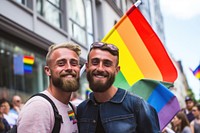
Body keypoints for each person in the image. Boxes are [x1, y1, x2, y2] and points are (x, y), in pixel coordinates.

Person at [77, 42, 160, 133]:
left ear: (117, 71)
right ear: (87, 67)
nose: (100, 68)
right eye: (95, 62)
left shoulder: (138, 106)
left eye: (107, 64)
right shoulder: (81, 110)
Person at [17, 42, 81, 133]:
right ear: (48, 71)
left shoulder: (71, 108)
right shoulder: (39, 107)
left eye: (74, 63)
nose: (69, 68)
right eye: (61, 63)